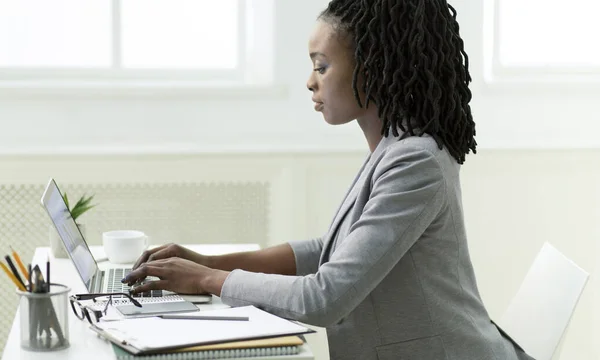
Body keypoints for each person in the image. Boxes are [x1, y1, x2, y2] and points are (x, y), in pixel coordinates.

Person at [123, 1, 534, 359]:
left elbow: (325, 297)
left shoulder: (415, 160)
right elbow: (328, 250)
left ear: (375, 66)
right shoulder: (394, 147)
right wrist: (209, 262)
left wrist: (206, 280)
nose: (310, 81)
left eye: (322, 66)